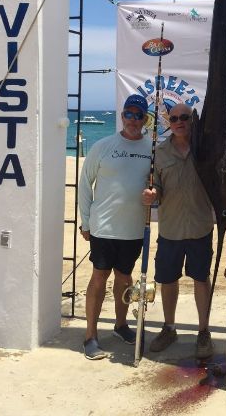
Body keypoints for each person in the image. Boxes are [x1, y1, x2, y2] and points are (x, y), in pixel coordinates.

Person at [79, 94, 152, 360]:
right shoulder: (103, 146)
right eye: (129, 114)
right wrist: (85, 222)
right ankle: (90, 336)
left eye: (139, 115)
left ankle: (121, 326)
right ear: (122, 116)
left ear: (145, 119)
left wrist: (155, 195)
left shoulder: (153, 148)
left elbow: (161, 184)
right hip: (102, 228)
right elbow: (85, 184)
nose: (133, 119)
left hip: (133, 230)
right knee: (99, 277)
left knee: (125, 278)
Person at [142, 103, 215, 360]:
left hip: (200, 226)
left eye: (185, 117)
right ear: (168, 122)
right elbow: (156, 187)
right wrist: (152, 194)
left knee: (201, 278)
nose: (179, 121)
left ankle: (203, 331)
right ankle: (169, 327)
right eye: (174, 118)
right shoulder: (159, 152)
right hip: (170, 228)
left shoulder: (207, 149)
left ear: (192, 120)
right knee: (168, 279)